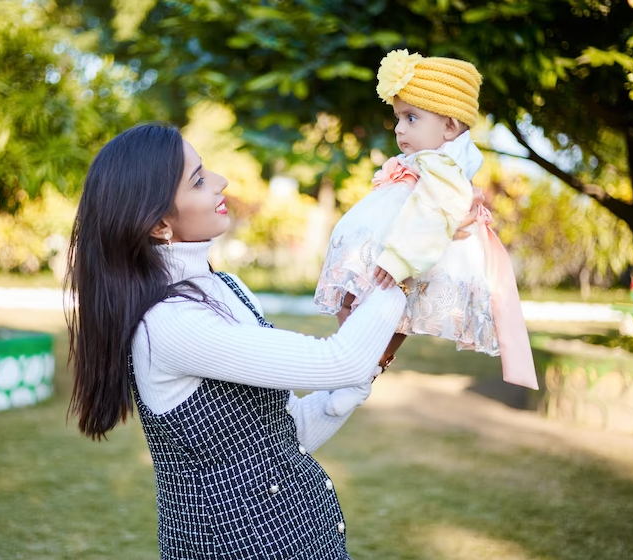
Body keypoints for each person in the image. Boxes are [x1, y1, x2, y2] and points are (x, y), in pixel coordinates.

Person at [65, 122, 411, 559]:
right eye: (198, 180)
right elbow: (339, 360)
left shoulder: (225, 287)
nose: (221, 182)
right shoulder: (168, 325)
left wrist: (376, 356)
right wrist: (404, 262)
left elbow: (282, 435)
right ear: (158, 225)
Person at [315, 49, 538, 391]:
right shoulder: (431, 160)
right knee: (380, 309)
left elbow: (434, 211)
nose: (399, 129)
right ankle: (362, 360)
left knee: (384, 307)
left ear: (449, 126)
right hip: (408, 250)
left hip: (412, 253)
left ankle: (364, 362)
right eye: (398, 118)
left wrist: (399, 258)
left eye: (411, 118)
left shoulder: (444, 166)